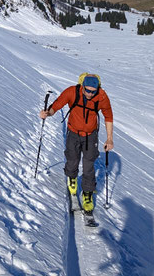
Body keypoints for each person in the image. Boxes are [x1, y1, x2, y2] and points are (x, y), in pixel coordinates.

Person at [39, 73, 114, 211]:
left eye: (93, 91)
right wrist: (47, 113)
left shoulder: (102, 96)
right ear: (82, 87)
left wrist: (109, 138)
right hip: (73, 132)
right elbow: (57, 105)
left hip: (90, 136)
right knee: (72, 159)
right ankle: (72, 178)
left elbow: (108, 117)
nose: (90, 94)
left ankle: (87, 193)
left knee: (89, 165)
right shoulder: (72, 92)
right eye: (88, 90)